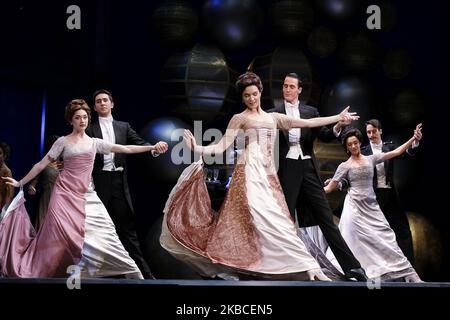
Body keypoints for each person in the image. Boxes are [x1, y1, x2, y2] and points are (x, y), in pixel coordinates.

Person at [160, 72, 358, 281]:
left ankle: (309, 267)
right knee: (262, 218)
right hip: (248, 174)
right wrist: (196, 147)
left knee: (281, 222)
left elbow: (310, 123)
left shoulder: (273, 118)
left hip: (268, 175)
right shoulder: (240, 118)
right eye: (247, 96)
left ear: (260, 92)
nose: (252, 99)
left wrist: (338, 118)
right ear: (243, 97)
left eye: (254, 94)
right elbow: (221, 146)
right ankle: (271, 265)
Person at [1, 99, 165, 278]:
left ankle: (128, 269)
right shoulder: (63, 142)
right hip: (64, 195)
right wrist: (20, 183)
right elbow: (41, 165)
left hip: (87, 195)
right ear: (71, 120)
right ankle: (66, 271)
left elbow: (125, 148)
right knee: (60, 236)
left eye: (85, 117)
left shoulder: (95, 143)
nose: (82, 120)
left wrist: (151, 147)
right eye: (78, 117)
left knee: (106, 230)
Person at [268, 72, 368, 281]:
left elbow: (325, 134)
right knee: (284, 220)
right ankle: (276, 266)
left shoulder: (310, 111)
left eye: (291, 86)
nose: (287, 89)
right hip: (286, 168)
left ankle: (353, 268)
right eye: (284, 86)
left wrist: (340, 124)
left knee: (326, 218)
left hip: (308, 167)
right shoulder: (273, 113)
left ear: (299, 90)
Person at [86, 89, 168, 279]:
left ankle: (145, 274)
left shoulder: (123, 127)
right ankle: (96, 275)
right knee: (96, 230)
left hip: (118, 183)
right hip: (98, 183)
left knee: (127, 231)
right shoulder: (89, 129)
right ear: (95, 107)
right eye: (98, 101)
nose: (102, 103)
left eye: (105, 100)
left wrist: (154, 148)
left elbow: (139, 143)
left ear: (112, 104)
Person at [324, 127, 423, 282]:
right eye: (350, 145)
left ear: (359, 142)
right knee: (352, 238)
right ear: (347, 148)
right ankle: (353, 272)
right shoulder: (344, 165)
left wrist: (413, 139)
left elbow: (396, 152)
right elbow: (329, 188)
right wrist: (310, 190)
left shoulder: (371, 158)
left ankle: (409, 273)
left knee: (387, 236)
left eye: (355, 143)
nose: (354, 147)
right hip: (354, 207)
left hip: (371, 205)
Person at [361, 119, 422, 265]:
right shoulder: (363, 151)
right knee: (373, 232)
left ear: (380, 131)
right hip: (373, 197)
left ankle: (409, 270)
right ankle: (374, 268)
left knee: (402, 230)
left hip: (390, 194)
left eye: (374, 131)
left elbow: (406, 153)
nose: (371, 135)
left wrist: (415, 141)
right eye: (368, 132)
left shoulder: (389, 147)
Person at [28, 135, 62, 230]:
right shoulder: (43, 164)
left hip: (62, 200)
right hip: (47, 199)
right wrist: (32, 187)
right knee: (44, 226)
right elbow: (34, 182)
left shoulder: (66, 164)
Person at [0, 141, 14, 211]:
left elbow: (10, 192)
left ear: (5, 156)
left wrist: (5, 210)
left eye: (0, 153)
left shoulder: (6, 171)